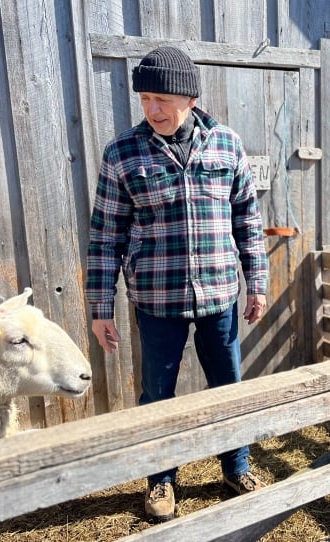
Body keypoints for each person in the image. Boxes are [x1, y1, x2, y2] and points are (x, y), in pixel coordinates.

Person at [85, 46, 269, 523]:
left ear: (190, 97)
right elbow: (106, 235)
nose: (152, 109)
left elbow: (248, 219)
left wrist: (258, 283)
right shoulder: (123, 153)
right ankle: (161, 480)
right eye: (145, 98)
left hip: (219, 296)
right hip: (155, 300)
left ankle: (236, 466)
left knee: (227, 386)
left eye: (162, 98)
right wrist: (100, 305)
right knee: (157, 394)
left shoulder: (226, 145)